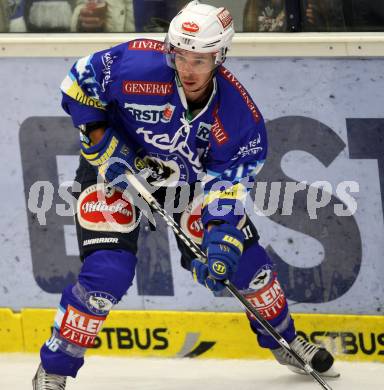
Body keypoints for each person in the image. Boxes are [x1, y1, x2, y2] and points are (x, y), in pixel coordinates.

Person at [32, 1, 339, 388]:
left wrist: (221, 237)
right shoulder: (133, 65)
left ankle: (287, 340)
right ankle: (55, 368)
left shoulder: (238, 117)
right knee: (107, 273)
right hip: (113, 171)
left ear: (221, 56)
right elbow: (77, 85)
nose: (188, 69)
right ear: (169, 49)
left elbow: (225, 184)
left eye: (202, 59)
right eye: (181, 56)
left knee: (245, 263)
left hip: (188, 183)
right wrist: (101, 140)